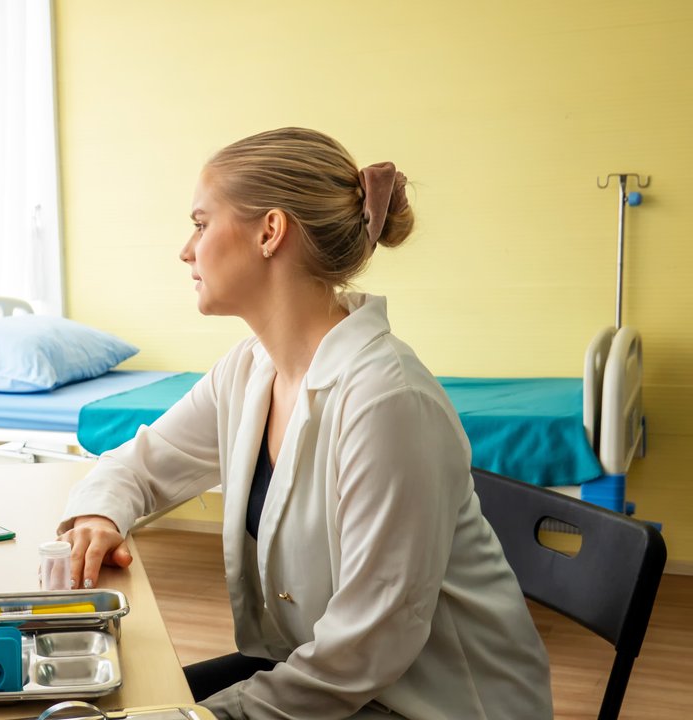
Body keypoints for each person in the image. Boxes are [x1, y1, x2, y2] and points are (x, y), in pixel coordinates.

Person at [56, 128, 554, 719]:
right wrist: (100, 516)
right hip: (325, 675)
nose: (186, 251)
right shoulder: (249, 370)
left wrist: (214, 716)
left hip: (429, 703)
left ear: (270, 231)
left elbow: (367, 647)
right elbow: (141, 464)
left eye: (200, 223)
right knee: (115, 702)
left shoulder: (387, 402)